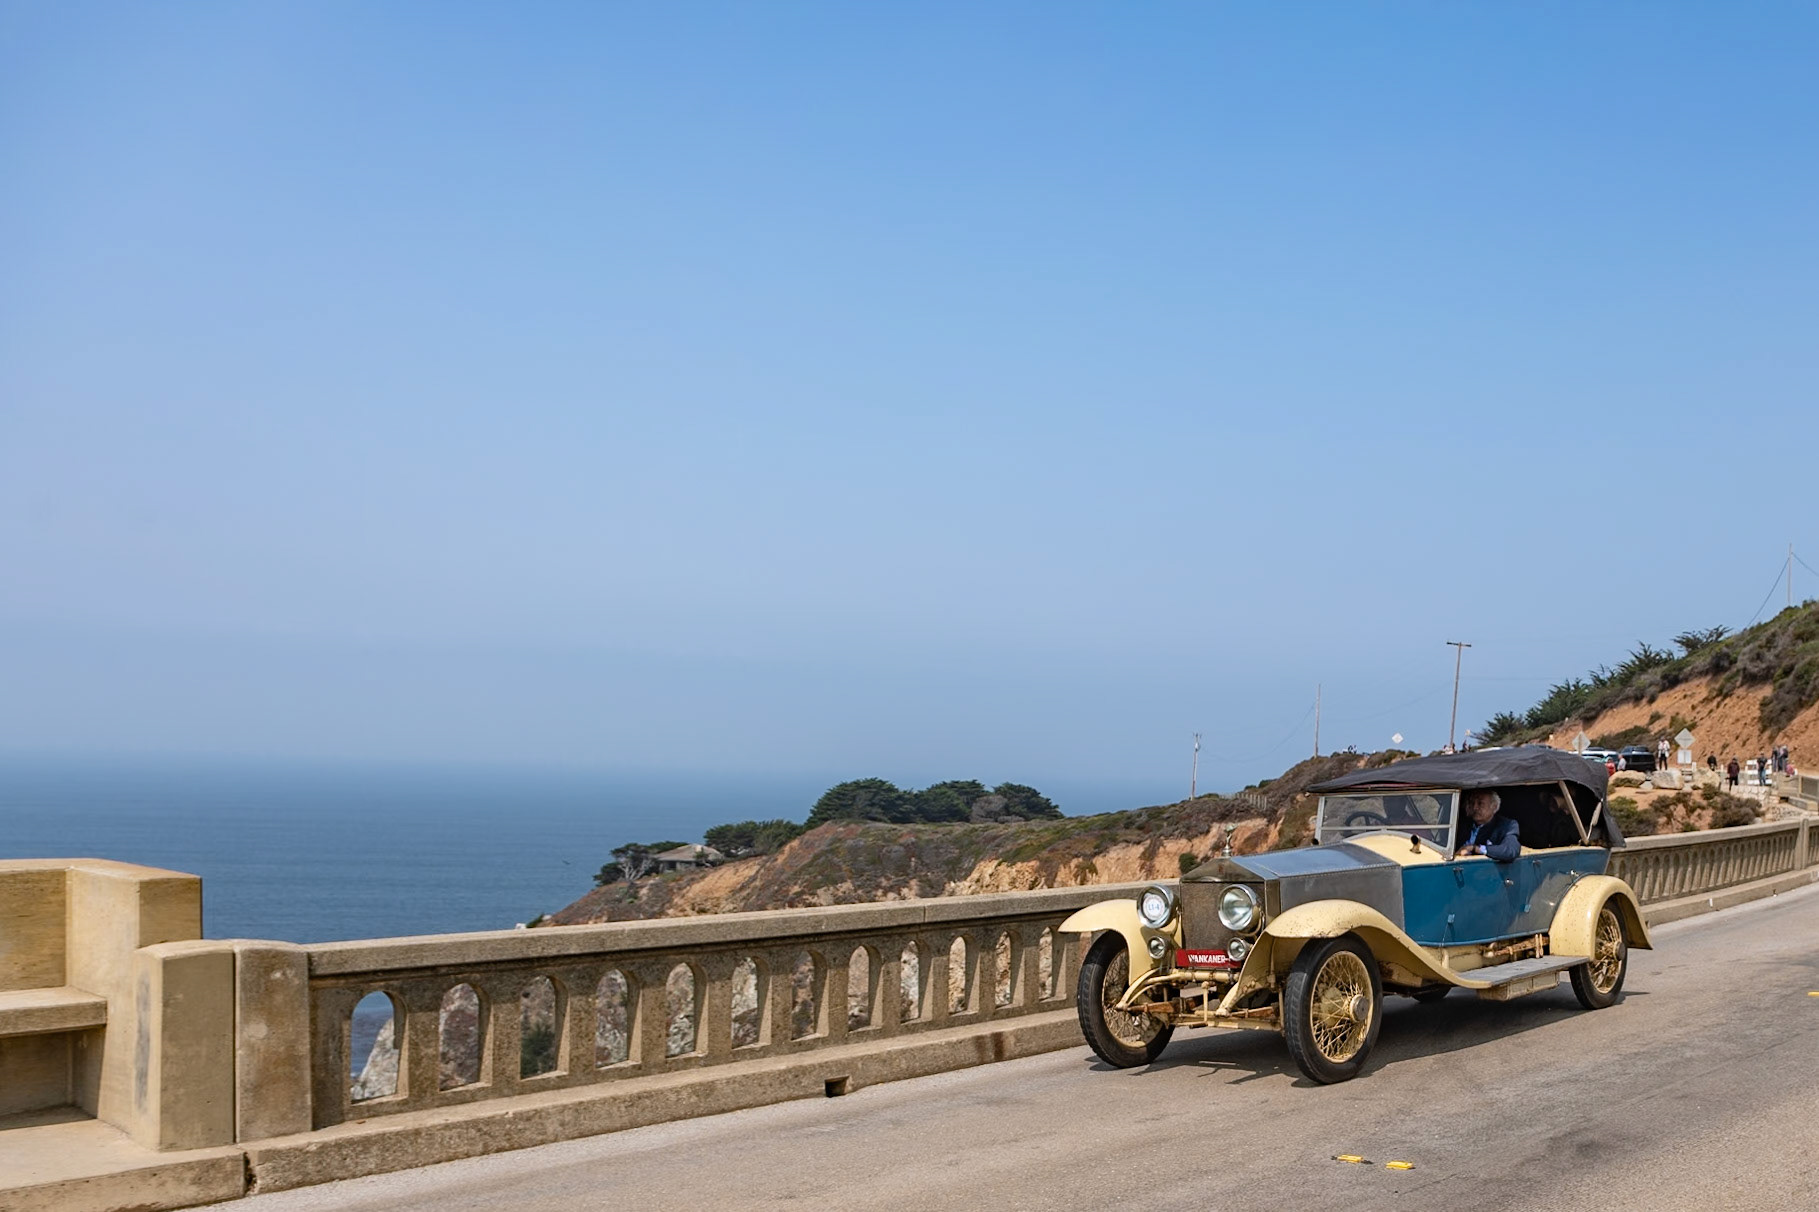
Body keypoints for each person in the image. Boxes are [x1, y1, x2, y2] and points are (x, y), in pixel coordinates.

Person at [1454, 789, 1520, 861]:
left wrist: (1476, 848)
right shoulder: (1460, 823)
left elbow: (1511, 851)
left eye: (1480, 803)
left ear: (1494, 807)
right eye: (1472, 803)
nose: (1475, 807)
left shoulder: (1507, 825)